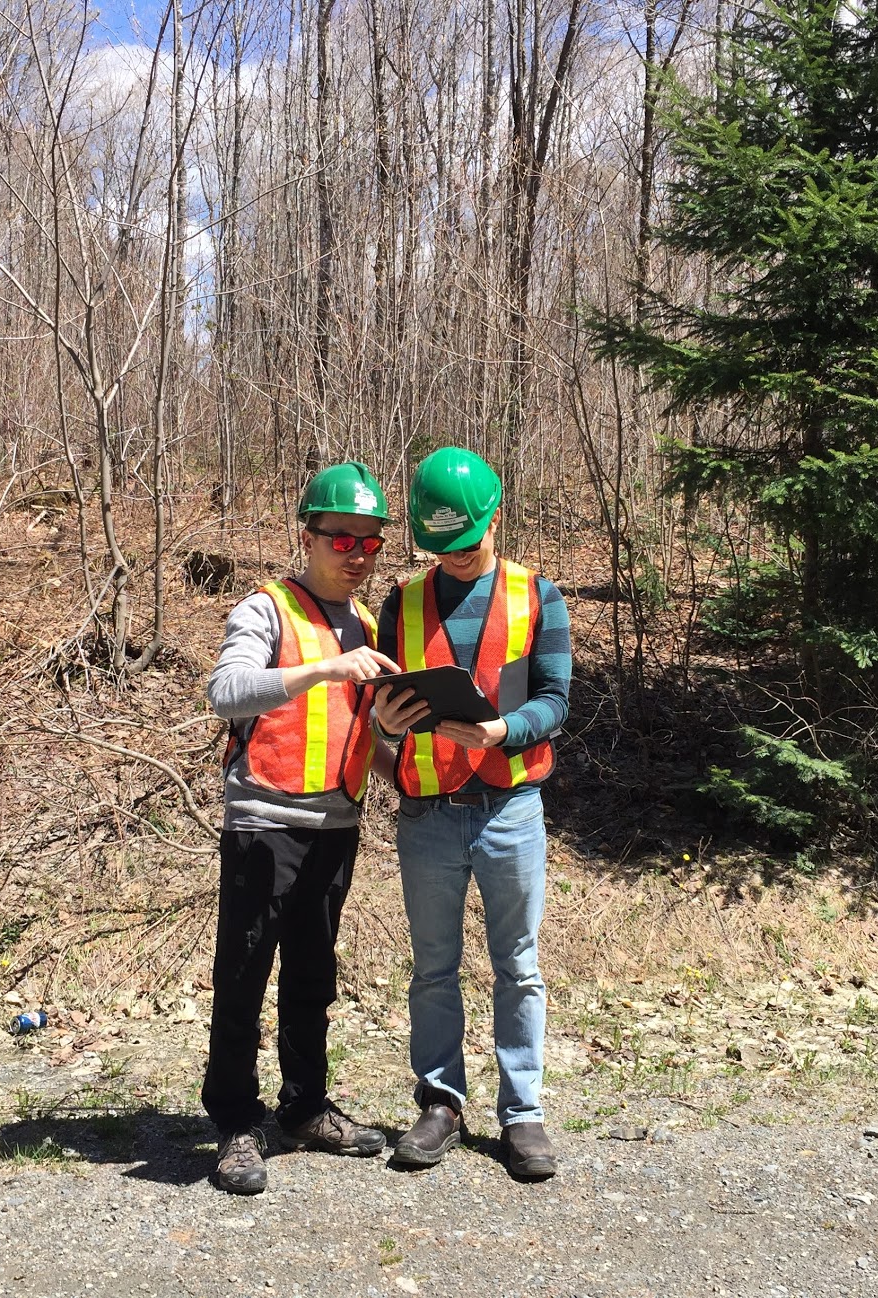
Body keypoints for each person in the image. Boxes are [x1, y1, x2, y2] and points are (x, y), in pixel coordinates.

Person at [372, 447, 571, 1180]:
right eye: (439, 548)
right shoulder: (403, 601)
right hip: (427, 816)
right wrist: (388, 722)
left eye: (467, 543)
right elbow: (382, 712)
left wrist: (500, 731)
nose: (454, 559)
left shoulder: (537, 596)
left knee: (517, 966)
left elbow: (555, 701)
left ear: (495, 517)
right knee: (433, 968)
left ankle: (522, 1115)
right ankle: (440, 1103)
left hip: (510, 808)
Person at [202, 460, 399, 1195]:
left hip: (335, 826)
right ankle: (233, 1123)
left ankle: (305, 1108)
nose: (355, 555)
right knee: (243, 978)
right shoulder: (266, 611)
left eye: (370, 543)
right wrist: (323, 668)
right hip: (263, 824)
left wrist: (405, 781)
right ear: (307, 536)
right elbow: (226, 693)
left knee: (313, 978)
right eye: (340, 539)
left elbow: (358, 734)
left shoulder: (369, 625)